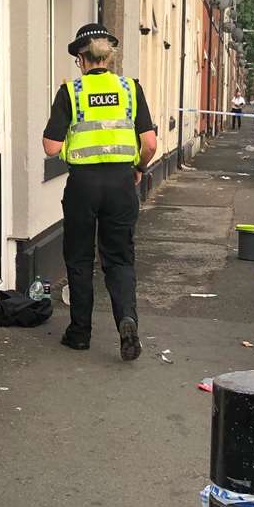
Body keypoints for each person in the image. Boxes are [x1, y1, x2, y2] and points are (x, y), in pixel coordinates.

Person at [42, 23, 158, 360]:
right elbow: (149, 143)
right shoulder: (130, 89)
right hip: (122, 183)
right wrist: (137, 168)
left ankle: (80, 333)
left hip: (83, 185)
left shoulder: (71, 92)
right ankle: (127, 319)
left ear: (81, 58)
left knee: (79, 258)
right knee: (119, 257)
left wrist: (71, 144)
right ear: (108, 56)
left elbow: (51, 147)